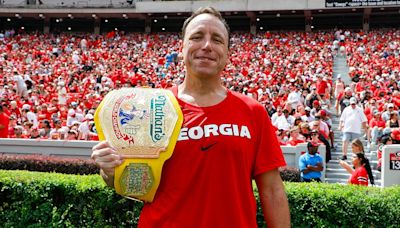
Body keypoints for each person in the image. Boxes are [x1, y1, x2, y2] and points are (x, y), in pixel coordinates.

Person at [91, 7, 290, 227]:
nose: (206, 46)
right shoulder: (150, 108)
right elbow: (134, 183)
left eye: (217, 39)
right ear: (182, 47)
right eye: (196, 37)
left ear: (227, 53)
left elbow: (272, 190)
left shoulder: (252, 111)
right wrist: (109, 170)